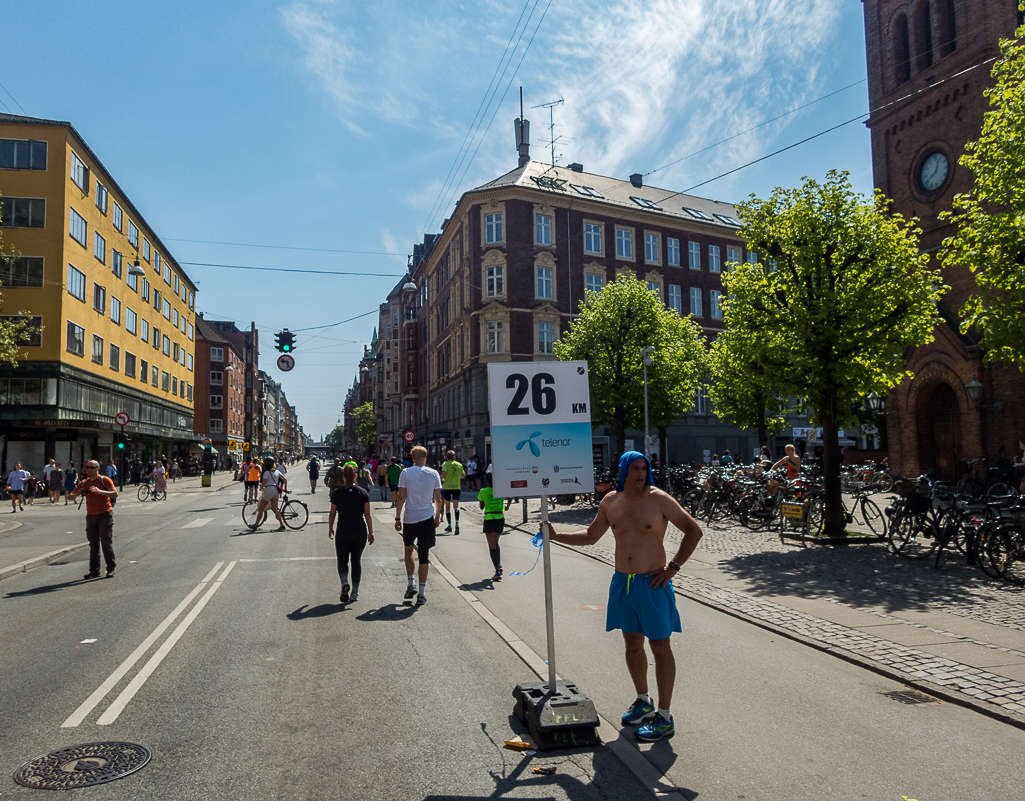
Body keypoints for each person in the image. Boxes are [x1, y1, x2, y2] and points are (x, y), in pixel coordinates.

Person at [542, 451, 703, 743]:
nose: (641, 474)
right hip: (623, 583)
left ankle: (665, 717)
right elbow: (591, 536)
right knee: (631, 643)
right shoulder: (610, 502)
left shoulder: (659, 499)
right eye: (635, 469)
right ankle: (643, 700)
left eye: (645, 468)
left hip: (653, 583)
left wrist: (673, 568)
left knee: (660, 646)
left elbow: (694, 530)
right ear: (623, 470)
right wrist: (555, 536)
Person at [394, 445, 442, 606]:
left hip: (410, 518)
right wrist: (437, 516)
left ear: (413, 459)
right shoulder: (434, 473)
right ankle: (421, 593)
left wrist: (397, 518)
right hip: (427, 517)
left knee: (408, 549)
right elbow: (438, 498)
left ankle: (410, 583)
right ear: (426, 458)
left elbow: (401, 497)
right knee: (424, 555)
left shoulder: (406, 473)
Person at [328, 463, 374, 603]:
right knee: (356, 561)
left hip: (343, 530)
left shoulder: (337, 493)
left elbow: (332, 513)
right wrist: (371, 532)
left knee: (342, 561)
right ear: (355, 476)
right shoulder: (363, 492)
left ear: (342, 477)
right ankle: (354, 592)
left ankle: (344, 582)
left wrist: (330, 528)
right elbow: (367, 514)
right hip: (359, 530)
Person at [69, 460, 118, 579]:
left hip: (105, 514)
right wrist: (77, 493)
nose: (89, 469)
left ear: (98, 469)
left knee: (106, 542)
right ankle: (94, 571)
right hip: (91, 515)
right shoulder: (84, 483)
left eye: (92, 467)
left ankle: (110, 568)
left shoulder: (104, 480)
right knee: (93, 544)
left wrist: (99, 491)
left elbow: (115, 493)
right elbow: (70, 497)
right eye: (87, 467)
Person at [477, 472, 512, 581]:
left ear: (487, 481)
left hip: (489, 519)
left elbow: (481, 507)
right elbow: (510, 497)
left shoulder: (483, 491)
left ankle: (498, 569)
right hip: (500, 518)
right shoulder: (500, 489)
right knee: (496, 543)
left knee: (492, 546)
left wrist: (485, 502)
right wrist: (507, 506)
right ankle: (499, 564)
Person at [253, 457, 286, 531]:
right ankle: (282, 525)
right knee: (275, 509)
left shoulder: (266, 473)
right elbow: (285, 479)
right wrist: (285, 488)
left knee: (261, 508)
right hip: (276, 490)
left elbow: (263, 483)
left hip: (269, 490)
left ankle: (255, 525)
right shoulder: (277, 472)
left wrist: (261, 487)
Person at [440, 450, 465, 534]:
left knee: (447, 505)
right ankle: (457, 523)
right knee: (456, 505)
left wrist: (441, 478)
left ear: (447, 457)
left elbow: (443, 474)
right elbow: (463, 475)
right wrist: (457, 476)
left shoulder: (445, 464)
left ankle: (450, 525)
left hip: (447, 486)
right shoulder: (459, 465)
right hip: (456, 486)